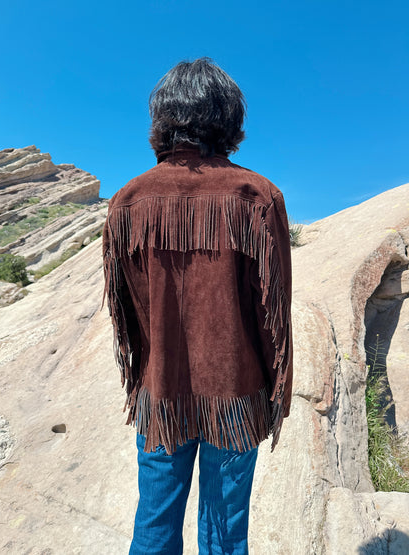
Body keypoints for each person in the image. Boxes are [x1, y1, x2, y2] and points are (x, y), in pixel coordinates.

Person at [102, 57, 293, 555]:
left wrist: (147, 373)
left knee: (154, 525)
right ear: (227, 118)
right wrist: (275, 392)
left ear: (163, 118)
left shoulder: (127, 201)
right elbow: (273, 312)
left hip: (160, 392)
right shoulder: (257, 195)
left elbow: (125, 314)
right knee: (225, 535)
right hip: (236, 393)